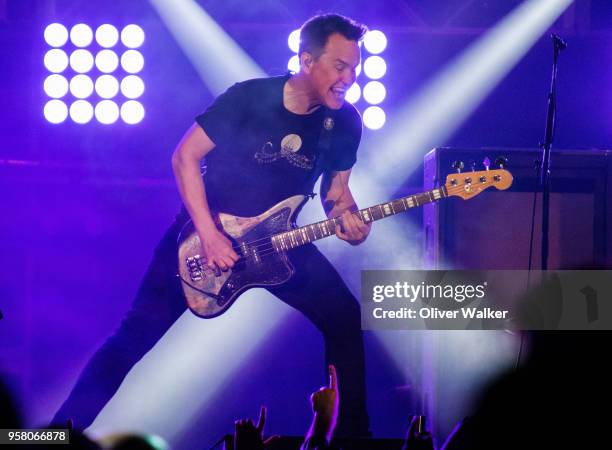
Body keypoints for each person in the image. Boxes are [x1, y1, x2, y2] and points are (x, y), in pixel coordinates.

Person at [53, 13, 371, 437]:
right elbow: (185, 157)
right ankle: (55, 434)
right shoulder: (248, 98)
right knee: (135, 336)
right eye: (340, 66)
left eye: (354, 67)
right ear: (307, 60)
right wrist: (209, 234)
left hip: (277, 241)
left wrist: (350, 222)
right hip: (200, 238)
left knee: (345, 315)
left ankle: (352, 438)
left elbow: (336, 195)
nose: (349, 77)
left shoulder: (345, 122)